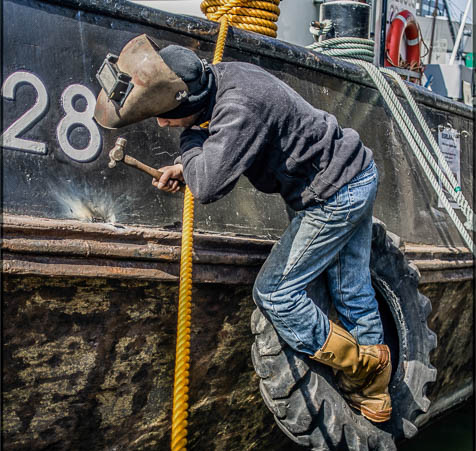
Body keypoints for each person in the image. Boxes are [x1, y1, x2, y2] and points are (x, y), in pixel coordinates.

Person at [95, 34, 392, 424]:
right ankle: (378, 392)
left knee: (276, 294)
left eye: (166, 114)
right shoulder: (222, 79)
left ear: (190, 101)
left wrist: (190, 142)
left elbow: (207, 187)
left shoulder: (238, 108)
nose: (162, 122)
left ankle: (361, 365)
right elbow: (227, 147)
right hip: (354, 173)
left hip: (332, 196)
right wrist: (189, 163)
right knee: (351, 288)